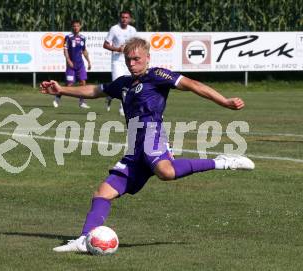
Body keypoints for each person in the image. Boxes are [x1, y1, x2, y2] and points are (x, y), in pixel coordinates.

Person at [40, 37, 255, 252]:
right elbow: (95, 91)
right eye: (128, 60)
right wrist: (61, 90)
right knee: (102, 193)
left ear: (147, 58)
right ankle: (85, 239)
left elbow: (193, 85)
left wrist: (225, 101)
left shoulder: (158, 76)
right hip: (134, 145)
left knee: (166, 172)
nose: (132, 63)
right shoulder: (123, 83)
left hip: (153, 136)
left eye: (136, 59)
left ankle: (222, 162)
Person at [103, 10, 137, 116]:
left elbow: (135, 44)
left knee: (128, 84)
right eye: (122, 17)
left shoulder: (132, 30)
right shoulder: (114, 29)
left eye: (126, 17)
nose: (124, 19)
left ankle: (122, 107)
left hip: (128, 60)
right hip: (117, 61)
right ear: (120, 18)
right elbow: (105, 44)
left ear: (130, 19)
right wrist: (117, 49)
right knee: (118, 84)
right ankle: (109, 97)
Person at [53, 19, 92, 109]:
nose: (76, 28)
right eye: (74, 26)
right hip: (71, 65)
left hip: (80, 64)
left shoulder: (82, 38)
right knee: (69, 84)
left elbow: (84, 50)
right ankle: (57, 97)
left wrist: (89, 61)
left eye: (77, 26)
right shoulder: (68, 37)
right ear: (72, 27)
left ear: (80, 26)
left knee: (83, 83)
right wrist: (68, 60)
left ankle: (82, 102)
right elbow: (65, 50)